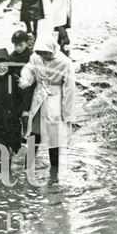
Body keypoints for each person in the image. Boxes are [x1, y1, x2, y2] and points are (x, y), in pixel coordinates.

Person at [19, 35, 76, 170]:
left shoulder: (65, 63)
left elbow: (69, 89)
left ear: (52, 50)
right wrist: (26, 80)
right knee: (34, 132)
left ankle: (54, 169)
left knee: (54, 136)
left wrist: (67, 113)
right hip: (39, 97)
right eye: (41, 53)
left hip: (54, 99)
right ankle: (28, 166)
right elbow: (29, 68)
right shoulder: (35, 58)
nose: (44, 56)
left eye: (46, 53)